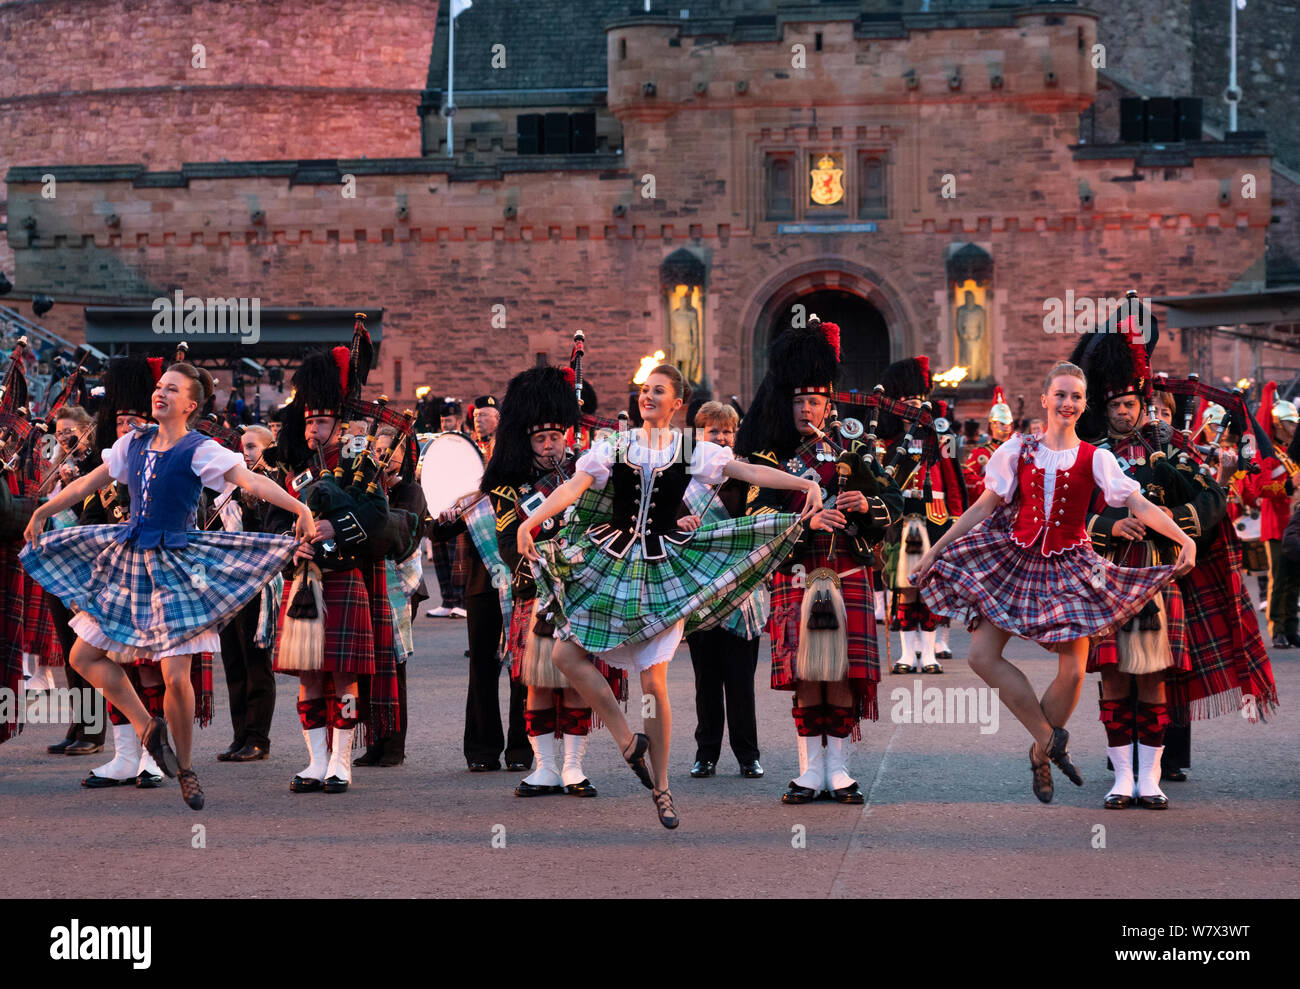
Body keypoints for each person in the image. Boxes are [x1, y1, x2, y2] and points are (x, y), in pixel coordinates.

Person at [520, 363, 819, 828]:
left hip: (662, 569)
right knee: (564, 652)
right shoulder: (614, 445)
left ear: (677, 403)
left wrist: (804, 482)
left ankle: (661, 788)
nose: (648, 396)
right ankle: (626, 739)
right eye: (644, 389)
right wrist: (529, 521)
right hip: (611, 558)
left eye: (658, 391)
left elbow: (746, 470)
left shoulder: (691, 450)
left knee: (653, 683)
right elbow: (573, 486)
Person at [22, 362, 312, 810]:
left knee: (176, 675)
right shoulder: (131, 442)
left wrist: (301, 510)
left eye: (171, 389)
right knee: (82, 655)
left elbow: (250, 480)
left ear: (190, 404)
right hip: (130, 556)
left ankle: (186, 769)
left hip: (175, 562)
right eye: (159, 386)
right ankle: (146, 728)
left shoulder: (200, 449)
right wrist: (43, 510)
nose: (160, 393)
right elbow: (87, 482)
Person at [913, 361, 1197, 803]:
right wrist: (934, 549)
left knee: (1075, 670)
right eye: (1060, 394)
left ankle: (1039, 752)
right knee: (983, 657)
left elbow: (1137, 503)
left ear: (1084, 407)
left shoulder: (1096, 457)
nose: (1067, 403)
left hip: (1072, 566)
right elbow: (983, 507)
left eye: (1076, 397)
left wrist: (1182, 538)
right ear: (1045, 399)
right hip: (1014, 561)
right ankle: (1047, 737)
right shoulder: (1016, 450)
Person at [736, 318, 902, 805]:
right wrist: (805, 521)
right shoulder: (769, 458)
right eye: (799, 401)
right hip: (797, 575)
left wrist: (864, 506)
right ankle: (810, 771)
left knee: (845, 675)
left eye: (815, 401)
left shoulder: (855, 451)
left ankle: (841, 771)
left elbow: (892, 502)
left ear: (830, 405)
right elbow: (753, 515)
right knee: (808, 676)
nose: (806, 408)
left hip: (847, 571)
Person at [1070, 319, 1219, 808]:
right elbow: (1069, 516)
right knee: (1114, 678)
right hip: (1108, 578)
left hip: (1159, 575)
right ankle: (1120, 778)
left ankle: (1150, 779)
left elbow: (1213, 499)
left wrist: (1168, 523)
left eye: (1128, 404)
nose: (1120, 413)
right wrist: (1108, 527)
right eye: (1112, 406)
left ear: (1141, 401)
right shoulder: (1091, 455)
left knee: (1152, 676)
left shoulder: (1171, 446)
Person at [489, 365, 626, 796]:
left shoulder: (587, 477)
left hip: (583, 591)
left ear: (566, 438)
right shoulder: (511, 488)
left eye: (554, 438)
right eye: (540, 439)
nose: (548, 446)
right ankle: (544, 767)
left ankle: (572, 767)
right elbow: (509, 544)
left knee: (575, 684)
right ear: (528, 442)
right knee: (539, 683)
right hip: (537, 590)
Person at [270, 347, 399, 795]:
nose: (312, 430)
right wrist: (293, 547)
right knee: (307, 674)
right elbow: (271, 525)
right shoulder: (292, 473)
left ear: (338, 426)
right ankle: (315, 761)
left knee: (343, 674)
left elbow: (378, 517)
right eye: (308, 422)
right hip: (304, 582)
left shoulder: (360, 466)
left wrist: (334, 528)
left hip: (344, 577)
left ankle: (341, 762)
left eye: (321, 422)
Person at [686, 402, 766, 780]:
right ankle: (706, 754)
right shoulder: (682, 480)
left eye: (727, 431)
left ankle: (748, 755)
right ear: (698, 435)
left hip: (742, 592)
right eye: (712, 431)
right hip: (701, 592)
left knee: (740, 681)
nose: (721, 438)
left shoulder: (748, 476)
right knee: (706, 681)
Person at [878, 357, 967, 673]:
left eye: (918, 402)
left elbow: (954, 479)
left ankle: (928, 654)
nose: (914, 409)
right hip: (900, 521)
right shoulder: (885, 443)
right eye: (907, 404)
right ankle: (906, 654)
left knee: (930, 589)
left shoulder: (945, 440)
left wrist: (957, 518)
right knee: (902, 590)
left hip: (936, 520)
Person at [354, 424, 427, 768]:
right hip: (368, 581)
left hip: (398, 587)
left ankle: (394, 745)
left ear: (405, 455)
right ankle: (373, 740)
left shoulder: (411, 490)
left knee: (393, 666)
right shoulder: (367, 486)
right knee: (367, 667)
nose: (384, 456)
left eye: (391, 451)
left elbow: (400, 532)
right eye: (379, 450)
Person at [213, 424, 283, 763]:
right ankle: (240, 735)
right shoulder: (229, 489)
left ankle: (258, 738)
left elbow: (271, 535)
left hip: (258, 585)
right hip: (228, 586)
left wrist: (254, 506)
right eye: (243, 447)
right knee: (233, 662)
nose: (247, 453)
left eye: (253, 447)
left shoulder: (272, 487)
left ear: (268, 449)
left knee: (256, 663)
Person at [1252, 383, 1299, 648]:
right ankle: (1277, 629)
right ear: (1278, 425)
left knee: (1296, 580)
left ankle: (1292, 627)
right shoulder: (1268, 454)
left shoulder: (1293, 453)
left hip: (1296, 523)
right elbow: (1261, 488)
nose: (1294, 429)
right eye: (1290, 424)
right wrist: (1291, 484)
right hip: (1277, 524)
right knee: (1279, 580)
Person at [426, 396, 470, 619]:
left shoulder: (467, 444)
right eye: (443, 421)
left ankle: (461, 601)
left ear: (459, 421)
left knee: (457, 557)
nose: (446, 425)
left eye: (450, 420)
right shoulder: (436, 444)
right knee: (441, 551)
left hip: (461, 506)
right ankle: (447, 600)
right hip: (440, 504)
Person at [962, 387, 1015, 503]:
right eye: (1002, 423)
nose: (1006, 426)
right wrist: (990, 485)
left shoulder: (1017, 450)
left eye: (1009, 423)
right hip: (990, 504)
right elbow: (968, 479)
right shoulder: (981, 452)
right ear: (992, 425)